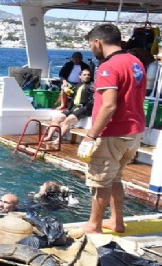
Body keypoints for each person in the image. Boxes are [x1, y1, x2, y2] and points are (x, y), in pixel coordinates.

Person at [78, 24, 146, 234]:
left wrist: (90, 136)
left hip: (112, 133)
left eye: (91, 45)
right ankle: (117, 221)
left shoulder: (108, 67)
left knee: (100, 181)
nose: (92, 49)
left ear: (98, 42)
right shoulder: (136, 63)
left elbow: (109, 106)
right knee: (116, 177)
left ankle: (94, 225)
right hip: (133, 131)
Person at [43, 69, 94, 143]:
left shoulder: (92, 86)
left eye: (88, 75)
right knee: (57, 119)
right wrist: (65, 89)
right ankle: (49, 136)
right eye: (85, 75)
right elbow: (72, 94)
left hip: (84, 109)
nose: (87, 76)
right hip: (73, 107)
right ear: (80, 76)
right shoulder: (78, 85)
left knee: (67, 120)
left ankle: (58, 140)